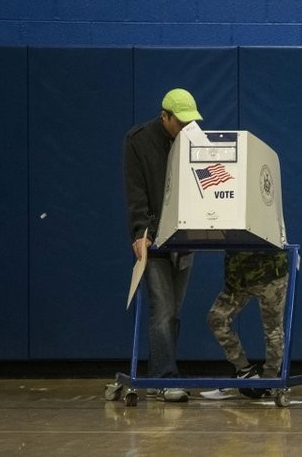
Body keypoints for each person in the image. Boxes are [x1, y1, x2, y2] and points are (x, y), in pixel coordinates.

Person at [123, 88, 203, 402]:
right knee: (163, 309)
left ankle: (159, 377)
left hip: (185, 237)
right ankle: (166, 379)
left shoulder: (195, 138)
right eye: (179, 122)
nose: (185, 128)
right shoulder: (138, 141)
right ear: (164, 116)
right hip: (154, 237)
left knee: (174, 311)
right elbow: (135, 191)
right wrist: (139, 233)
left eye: (189, 122)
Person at [202, 250, 288, 399]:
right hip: (238, 277)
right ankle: (244, 371)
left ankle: (270, 381)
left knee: (273, 330)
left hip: (269, 276)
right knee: (216, 318)